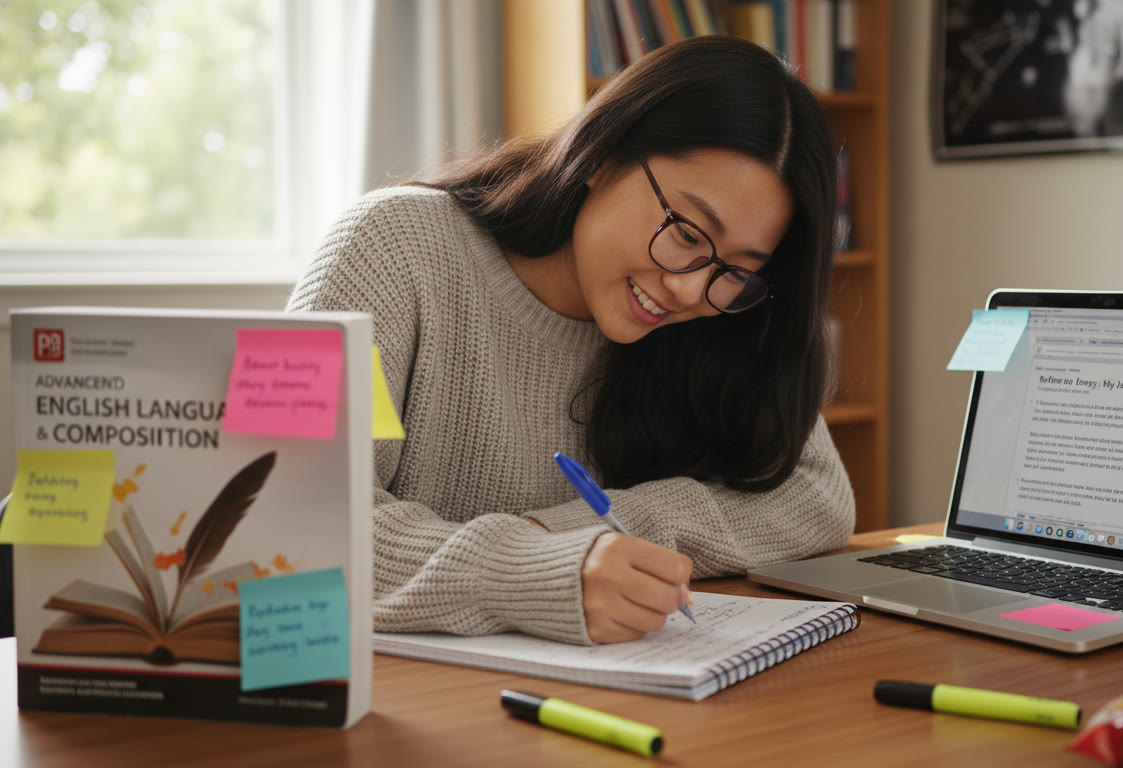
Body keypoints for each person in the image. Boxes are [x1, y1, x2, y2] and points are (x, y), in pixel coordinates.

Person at [287, 35, 855, 645]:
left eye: (737, 269)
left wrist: (582, 532)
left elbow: (818, 500)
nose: (691, 292)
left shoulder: (723, 319)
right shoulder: (386, 244)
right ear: (602, 157)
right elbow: (289, 511)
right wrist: (533, 568)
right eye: (688, 233)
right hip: (394, 698)